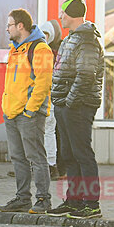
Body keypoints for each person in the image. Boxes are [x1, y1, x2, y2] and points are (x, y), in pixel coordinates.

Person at [47, 0, 105, 219]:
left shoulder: (87, 40)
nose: (60, 16)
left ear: (71, 15)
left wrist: (70, 102)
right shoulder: (71, 38)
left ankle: (91, 205)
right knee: (69, 155)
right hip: (65, 105)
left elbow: (86, 75)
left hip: (78, 106)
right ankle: (74, 201)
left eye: (63, 13)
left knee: (82, 154)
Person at [0, 9, 54, 214]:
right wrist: (6, 108)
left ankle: (43, 199)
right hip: (12, 113)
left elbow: (43, 83)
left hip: (28, 114)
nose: (7, 28)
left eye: (10, 25)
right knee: (18, 158)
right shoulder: (15, 49)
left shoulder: (40, 49)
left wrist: (30, 110)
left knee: (36, 157)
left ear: (20, 26)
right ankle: (23, 198)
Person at [40, 20, 64, 180]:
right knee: (46, 131)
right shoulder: (44, 50)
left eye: (47, 34)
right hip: (44, 95)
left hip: (52, 96)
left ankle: (51, 165)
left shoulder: (55, 52)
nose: (45, 37)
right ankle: (48, 165)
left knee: (49, 131)